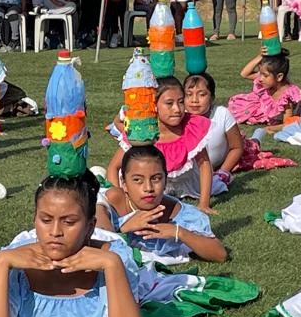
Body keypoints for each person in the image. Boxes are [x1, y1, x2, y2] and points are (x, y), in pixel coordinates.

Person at [0, 172, 144, 317]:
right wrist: (1, 262)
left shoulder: (115, 259)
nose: (55, 232)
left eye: (69, 222)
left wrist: (112, 265)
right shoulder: (14, 263)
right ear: (34, 220)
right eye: (46, 220)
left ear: (90, 226)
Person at [97, 145, 227, 265]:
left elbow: (220, 255)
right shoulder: (111, 201)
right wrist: (123, 228)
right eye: (137, 180)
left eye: (156, 178)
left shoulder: (182, 215)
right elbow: (97, 242)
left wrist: (179, 232)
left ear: (165, 181)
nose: (148, 188)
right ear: (124, 183)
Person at [107, 76, 216, 212]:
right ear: (154, 106)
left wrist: (204, 203)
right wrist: (121, 201)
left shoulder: (191, 127)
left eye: (181, 102)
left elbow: (204, 164)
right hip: (148, 187)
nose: (177, 109)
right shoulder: (143, 132)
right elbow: (113, 167)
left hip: (186, 185)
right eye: (169, 103)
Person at [181, 72, 243, 191]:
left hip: (215, 168)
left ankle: (258, 134)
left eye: (202, 95)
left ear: (212, 97)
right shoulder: (179, 117)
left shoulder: (222, 114)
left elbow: (237, 147)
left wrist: (223, 171)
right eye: (188, 95)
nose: (194, 100)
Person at [228, 50, 301, 131]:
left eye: (265, 75)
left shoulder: (287, 98)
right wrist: (260, 56)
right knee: (238, 110)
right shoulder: (269, 81)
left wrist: (269, 128)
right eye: (260, 74)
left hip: (269, 114)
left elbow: (287, 124)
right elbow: (244, 74)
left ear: (279, 77)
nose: (260, 79)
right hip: (260, 106)